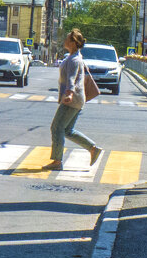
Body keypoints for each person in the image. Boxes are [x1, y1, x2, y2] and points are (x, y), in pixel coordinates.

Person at [42, 28, 103, 171]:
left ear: (73, 43)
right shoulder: (73, 57)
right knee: (67, 130)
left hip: (72, 98)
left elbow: (72, 78)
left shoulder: (74, 60)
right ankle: (93, 148)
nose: (64, 40)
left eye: (67, 38)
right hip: (77, 99)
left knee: (56, 128)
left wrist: (69, 93)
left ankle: (57, 161)